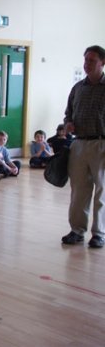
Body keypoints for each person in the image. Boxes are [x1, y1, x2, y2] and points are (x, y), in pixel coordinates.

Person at [61, 45, 105, 249]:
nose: (87, 64)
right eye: (85, 59)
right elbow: (68, 113)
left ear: (102, 63)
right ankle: (77, 230)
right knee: (78, 190)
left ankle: (99, 233)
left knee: (102, 192)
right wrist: (68, 123)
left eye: (92, 60)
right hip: (79, 144)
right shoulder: (77, 88)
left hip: (102, 143)